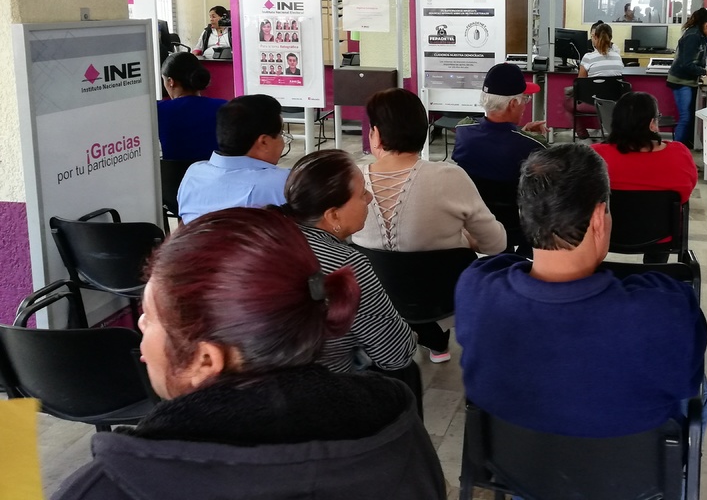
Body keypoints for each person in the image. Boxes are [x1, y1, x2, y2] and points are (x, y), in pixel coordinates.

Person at [51, 208, 445, 500]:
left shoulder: (105, 489)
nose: (139, 325)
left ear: (206, 361)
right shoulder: (401, 436)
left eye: (150, 318)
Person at [456, 143, 707, 437]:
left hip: (510, 457)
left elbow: (505, 263)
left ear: (524, 213)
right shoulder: (667, 310)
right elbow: (687, 380)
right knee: (699, 393)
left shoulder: (475, 287)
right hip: (630, 462)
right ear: (599, 218)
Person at [351, 88, 505, 362]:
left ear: (376, 134)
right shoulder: (450, 177)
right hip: (443, 300)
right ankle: (436, 341)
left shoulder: (349, 182)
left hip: (375, 301)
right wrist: (465, 239)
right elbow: (496, 244)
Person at [277, 150, 417, 375]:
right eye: (362, 194)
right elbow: (395, 354)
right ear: (333, 215)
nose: (370, 198)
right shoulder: (346, 264)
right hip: (327, 384)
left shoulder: (270, 240)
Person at [592, 92, 698, 263]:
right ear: (652, 124)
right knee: (664, 220)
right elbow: (684, 195)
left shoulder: (594, 155)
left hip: (605, 233)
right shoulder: (679, 154)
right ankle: (655, 267)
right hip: (661, 236)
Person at [177, 94, 290, 223]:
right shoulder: (284, 183)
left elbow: (183, 226)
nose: (283, 141)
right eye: (281, 134)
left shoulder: (193, 173)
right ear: (264, 142)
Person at [453, 63, 545, 184]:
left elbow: (493, 145)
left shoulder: (463, 130)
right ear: (513, 104)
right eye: (525, 98)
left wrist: (522, 133)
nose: (525, 105)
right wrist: (525, 137)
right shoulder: (534, 146)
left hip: (471, 196)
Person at [666, 7, 707, 147]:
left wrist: (703, 71)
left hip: (689, 81)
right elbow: (687, 64)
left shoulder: (701, 35)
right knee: (685, 118)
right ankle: (676, 150)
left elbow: (698, 59)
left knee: (690, 116)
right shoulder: (693, 36)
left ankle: (684, 147)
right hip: (681, 81)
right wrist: (704, 72)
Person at [157, 52, 227, 163]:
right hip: (216, 172)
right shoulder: (225, 107)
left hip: (175, 173)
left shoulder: (158, 110)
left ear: (170, 82)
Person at [563, 22, 625, 139]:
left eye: (592, 37)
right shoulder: (617, 57)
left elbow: (580, 84)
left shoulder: (588, 57)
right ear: (610, 38)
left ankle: (583, 136)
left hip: (593, 104)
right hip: (614, 104)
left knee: (567, 102)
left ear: (595, 37)